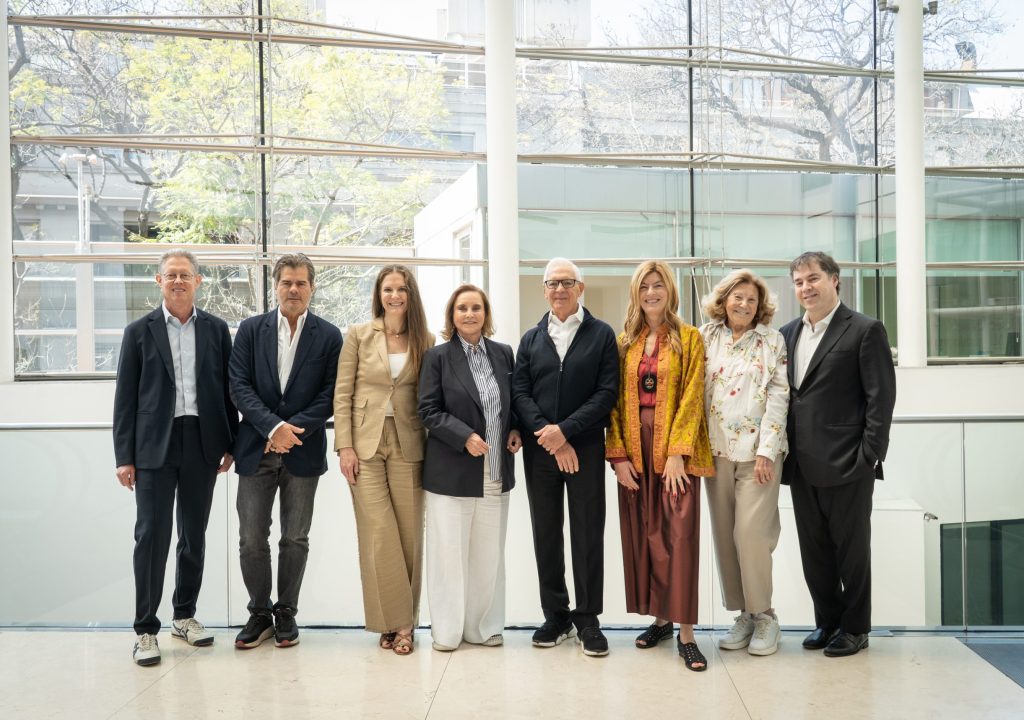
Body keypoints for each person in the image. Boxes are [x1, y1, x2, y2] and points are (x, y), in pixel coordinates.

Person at [113, 249, 237, 667]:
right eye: (171, 275)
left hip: (202, 442)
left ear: (198, 282)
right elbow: (125, 398)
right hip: (152, 447)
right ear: (158, 281)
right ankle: (145, 630)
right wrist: (123, 456)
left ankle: (184, 616)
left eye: (186, 275)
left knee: (193, 535)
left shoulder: (218, 330)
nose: (179, 281)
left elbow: (227, 391)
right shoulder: (138, 331)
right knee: (151, 536)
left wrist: (231, 443)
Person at [780, 251, 896, 658]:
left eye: (813, 278)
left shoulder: (865, 330)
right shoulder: (787, 333)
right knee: (814, 552)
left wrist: (869, 455)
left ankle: (855, 628)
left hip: (849, 463)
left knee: (851, 552)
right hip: (800, 464)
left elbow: (880, 400)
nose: (806, 287)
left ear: (835, 280)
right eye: (798, 282)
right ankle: (827, 621)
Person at [229, 253, 343, 650]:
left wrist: (292, 431)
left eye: (301, 283)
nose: (293, 289)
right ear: (275, 286)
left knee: (295, 538)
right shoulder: (249, 330)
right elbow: (238, 385)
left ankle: (286, 612)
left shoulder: (329, 336)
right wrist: (272, 427)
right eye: (286, 283)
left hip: (303, 451)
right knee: (251, 537)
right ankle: (259, 612)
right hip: (255, 449)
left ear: (312, 288)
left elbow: (331, 394)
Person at [605, 260, 714, 671]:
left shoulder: (690, 339)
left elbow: (693, 396)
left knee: (679, 538)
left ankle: (687, 634)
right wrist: (617, 457)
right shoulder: (624, 343)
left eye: (658, 286)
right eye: (644, 286)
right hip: (634, 450)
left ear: (670, 290)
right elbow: (612, 402)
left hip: (674, 454)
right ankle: (661, 620)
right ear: (636, 293)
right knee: (646, 535)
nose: (651, 293)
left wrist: (676, 453)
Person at [512, 257, 619, 657]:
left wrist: (567, 432)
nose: (559, 289)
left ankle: (588, 619)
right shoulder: (531, 338)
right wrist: (550, 436)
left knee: (588, 532)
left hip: (586, 448)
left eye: (567, 282)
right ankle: (556, 615)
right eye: (552, 283)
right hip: (541, 450)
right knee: (546, 532)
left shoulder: (602, 334)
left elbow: (606, 393)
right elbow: (520, 393)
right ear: (543, 289)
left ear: (581, 288)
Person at [334, 265, 434, 656]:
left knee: (409, 534)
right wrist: (344, 446)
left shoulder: (425, 339)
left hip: (410, 442)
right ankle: (394, 622)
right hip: (364, 444)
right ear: (379, 293)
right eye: (388, 289)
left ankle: (403, 624)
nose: (395, 295)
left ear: (411, 295)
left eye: (402, 289)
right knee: (378, 533)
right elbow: (342, 394)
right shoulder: (359, 335)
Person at [417, 285, 522, 652]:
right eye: (462, 308)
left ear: (485, 313)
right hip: (451, 474)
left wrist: (515, 430)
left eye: (476, 307)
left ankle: (482, 627)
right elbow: (428, 410)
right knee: (449, 556)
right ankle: (446, 631)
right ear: (452, 315)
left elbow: (512, 405)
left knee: (487, 556)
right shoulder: (438, 357)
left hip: (495, 473)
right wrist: (464, 436)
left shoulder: (504, 355)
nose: (469, 314)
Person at [699, 269, 789, 657]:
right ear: (724, 299)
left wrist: (768, 449)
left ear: (760, 306)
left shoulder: (772, 340)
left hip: (759, 456)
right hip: (714, 452)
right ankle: (744, 615)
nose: (744, 304)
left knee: (750, 535)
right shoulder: (705, 337)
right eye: (738, 297)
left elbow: (779, 395)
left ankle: (766, 615)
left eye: (752, 300)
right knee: (724, 537)